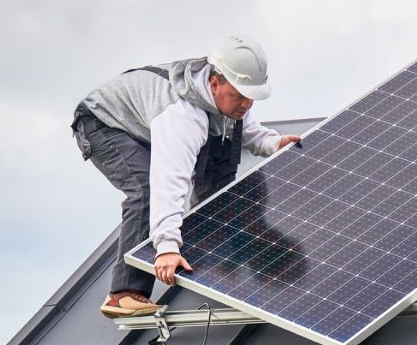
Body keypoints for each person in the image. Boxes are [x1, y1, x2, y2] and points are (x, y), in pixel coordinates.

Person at [71, 36, 302, 318]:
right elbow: (168, 182)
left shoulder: (223, 97)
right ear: (215, 83)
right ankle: (124, 293)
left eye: (250, 97)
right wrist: (166, 246)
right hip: (103, 123)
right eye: (239, 96)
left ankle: (208, 249)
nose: (246, 104)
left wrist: (273, 143)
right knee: (143, 190)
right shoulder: (182, 117)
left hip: (146, 122)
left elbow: (245, 126)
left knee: (224, 150)